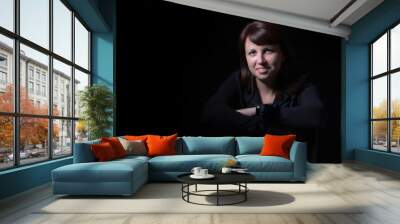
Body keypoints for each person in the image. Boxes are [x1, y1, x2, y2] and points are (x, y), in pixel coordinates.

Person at [202, 21, 323, 139]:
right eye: (252, 53)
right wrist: (262, 125)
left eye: (268, 51)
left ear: (283, 55)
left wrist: (260, 111)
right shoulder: (238, 80)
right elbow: (211, 113)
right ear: (245, 58)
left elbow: (315, 115)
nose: (260, 60)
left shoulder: (301, 83)